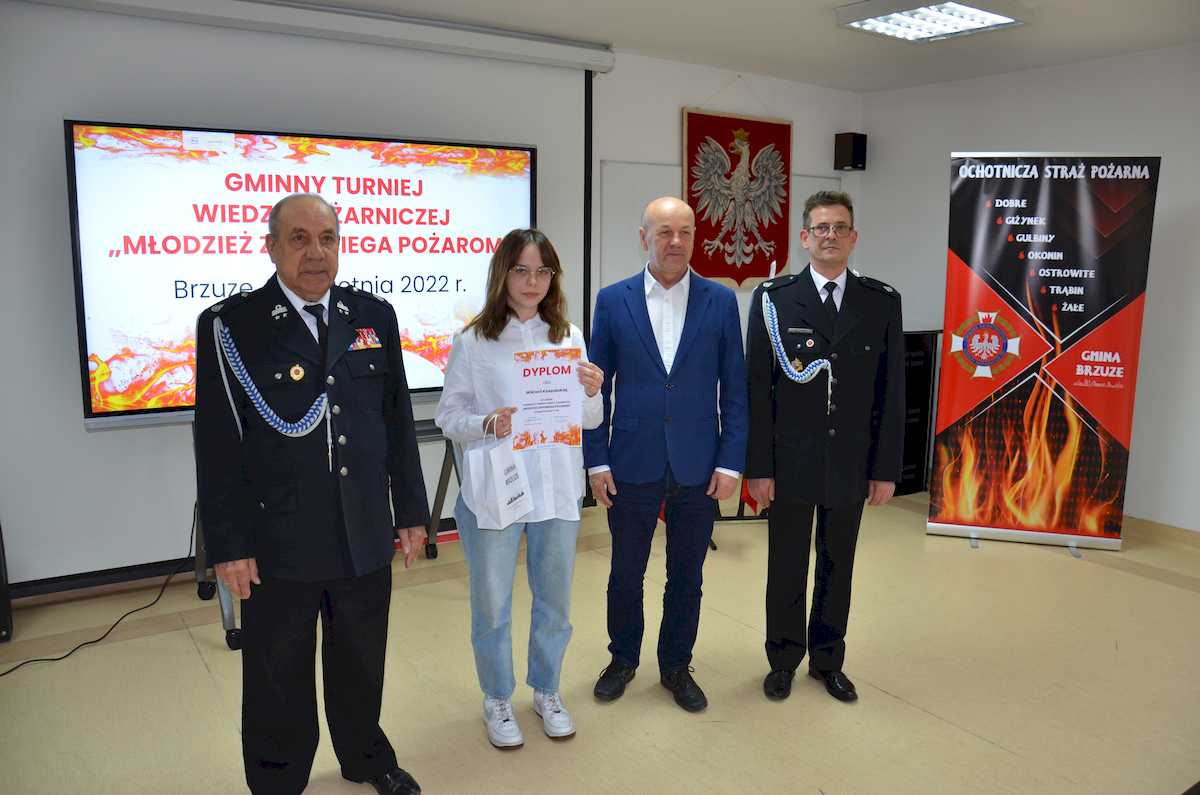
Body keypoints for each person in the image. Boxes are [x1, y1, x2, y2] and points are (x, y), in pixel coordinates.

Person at [195, 193, 429, 794]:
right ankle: (277, 780)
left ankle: (366, 757)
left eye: (327, 238)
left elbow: (396, 421)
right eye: (298, 239)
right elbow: (218, 445)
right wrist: (229, 545)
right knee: (277, 671)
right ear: (271, 247)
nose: (316, 253)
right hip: (280, 536)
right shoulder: (233, 326)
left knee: (362, 659)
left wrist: (410, 512)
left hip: (362, 529)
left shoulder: (373, 315)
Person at [435, 229, 604, 749]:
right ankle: (497, 697)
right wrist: (487, 424)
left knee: (554, 602)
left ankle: (547, 690)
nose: (533, 282)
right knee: (492, 606)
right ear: (503, 274)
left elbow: (589, 420)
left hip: (556, 488)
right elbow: (448, 417)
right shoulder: (474, 341)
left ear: (554, 277)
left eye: (543, 272)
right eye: (522, 271)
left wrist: (593, 392)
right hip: (497, 492)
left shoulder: (568, 336)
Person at [585, 196, 748, 712]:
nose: (675, 242)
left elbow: (735, 389)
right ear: (644, 238)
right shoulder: (613, 301)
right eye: (664, 232)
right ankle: (622, 659)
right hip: (631, 461)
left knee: (687, 576)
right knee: (625, 573)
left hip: (699, 464)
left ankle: (676, 665)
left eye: (685, 232)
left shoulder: (720, 301)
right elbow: (595, 390)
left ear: (695, 237)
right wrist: (597, 460)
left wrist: (730, 462)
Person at [745, 190, 904, 704]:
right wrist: (758, 468)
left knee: (839, 564)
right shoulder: (774, 299)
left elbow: (891, 391)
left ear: (853, 237)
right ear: (804, 237)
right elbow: (757, 389)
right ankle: (783, 659)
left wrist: (885, 468)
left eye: (839, 227)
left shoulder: (880, 301)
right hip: (790, 459)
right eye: (821, 227)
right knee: (786, 564)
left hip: (850, 462)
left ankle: (828, 660)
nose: (830, 235)